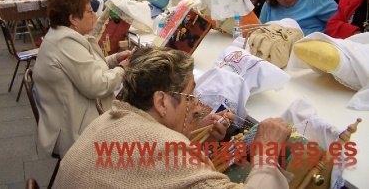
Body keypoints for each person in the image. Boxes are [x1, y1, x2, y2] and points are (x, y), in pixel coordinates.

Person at [55, 47, 292, 188]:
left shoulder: (111, 118)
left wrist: (195, 136)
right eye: (190, 95)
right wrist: (267, 154)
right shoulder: (165, 149)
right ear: (161, 102)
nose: (197, 106)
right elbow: (164, 158)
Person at [33, 0, 131, 157]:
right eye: (89, 12)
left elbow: (88, 67)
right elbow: (97, 86)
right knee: (139, 130)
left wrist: (115, 60)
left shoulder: (64, 36)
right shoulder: (65, 42)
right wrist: (124, 69)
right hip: (75, 129)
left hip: (76, 116)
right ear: (73, 19)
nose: (95, 16)